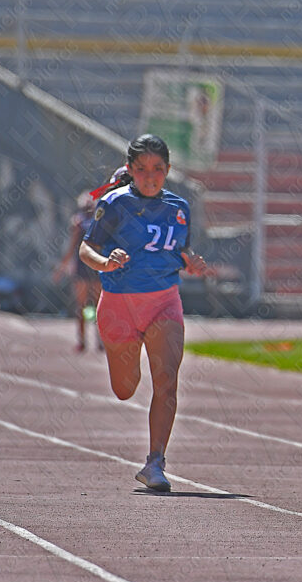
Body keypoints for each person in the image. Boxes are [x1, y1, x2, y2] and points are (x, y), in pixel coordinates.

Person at [79, 134, 207, 492]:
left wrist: (190, 262)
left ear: (168, 169)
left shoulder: (179, 207)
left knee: (167, 382)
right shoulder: (115, 203)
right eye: (142, 169)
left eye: (158, 169)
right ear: (130, 169)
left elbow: (179, 250)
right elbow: (86, 249)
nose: (151, 177)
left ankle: (155, 462)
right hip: (119, 306)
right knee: (125, 389)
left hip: (164, 302)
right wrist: (105, 262)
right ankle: (127, 355)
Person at [54, 192, 102, 352]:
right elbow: (72, 246)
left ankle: (98, 340)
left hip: (94, 267)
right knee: (83, 306)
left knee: (97, 306)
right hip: (85, 268)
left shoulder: (96, 222)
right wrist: (62, 269)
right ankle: (83, 340)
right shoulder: (79, 223)